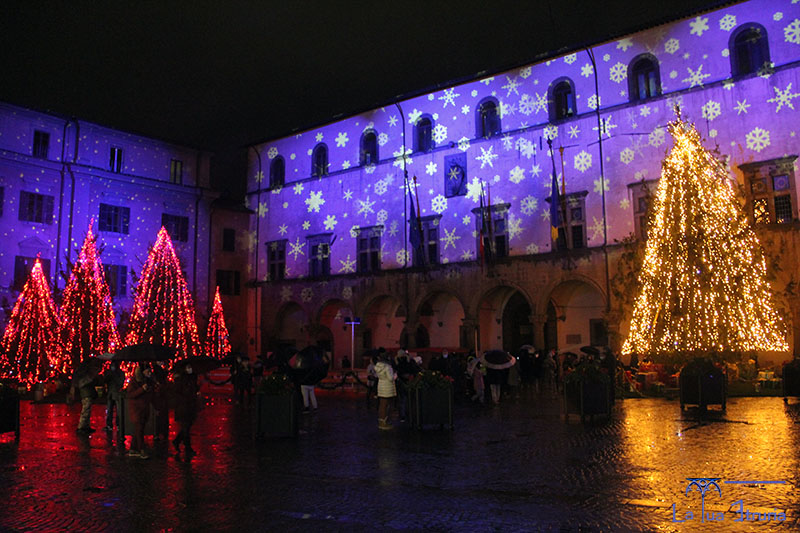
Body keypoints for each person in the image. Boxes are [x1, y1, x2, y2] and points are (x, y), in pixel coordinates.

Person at [125, 364, 154, 459]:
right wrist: (142, 389)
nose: (149, 373)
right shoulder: (134, 382)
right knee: (139, 430)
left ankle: (133, 449)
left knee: (138, 430)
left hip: (144, 409)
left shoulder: (147, 381)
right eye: (147, 371)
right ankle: (142, 450)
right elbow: (130, 395)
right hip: (137, 410)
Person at [172, 363, 198, 458]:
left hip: (190, 406)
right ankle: (188, 448)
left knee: (187, 427)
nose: (190, 369)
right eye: (188, 367)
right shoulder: (180, 380)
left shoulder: (193, 378)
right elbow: (178, 393)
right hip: (183, 407)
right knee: (186, 428)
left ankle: (177, 441)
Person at [73, 366, 99, 433]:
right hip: (86, 395)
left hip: (87, 394)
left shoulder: (82, 377)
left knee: (87, 411)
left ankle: (86, 426)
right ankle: (81, 427)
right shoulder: (83, 379)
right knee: (86, 411)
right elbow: (83, 384)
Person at [374, 352, 396, 430]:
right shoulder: (388, 367)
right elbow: (390, 378)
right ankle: (384, 422)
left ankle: (381, 421)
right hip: (387, 387)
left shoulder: (377, 366)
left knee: (382, 404)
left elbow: (377, 376)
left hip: (381, 386)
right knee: (386, 404)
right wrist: (395, 375)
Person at [103, 362, 125, 432]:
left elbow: (120, 383)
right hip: (110, 394)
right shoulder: (108, 373)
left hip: (117, 394)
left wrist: (114, 375)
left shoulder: (120, 373)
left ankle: (119, 425)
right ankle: (109, 425)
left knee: (119, 411)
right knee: (109, 410)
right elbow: (105, 381)